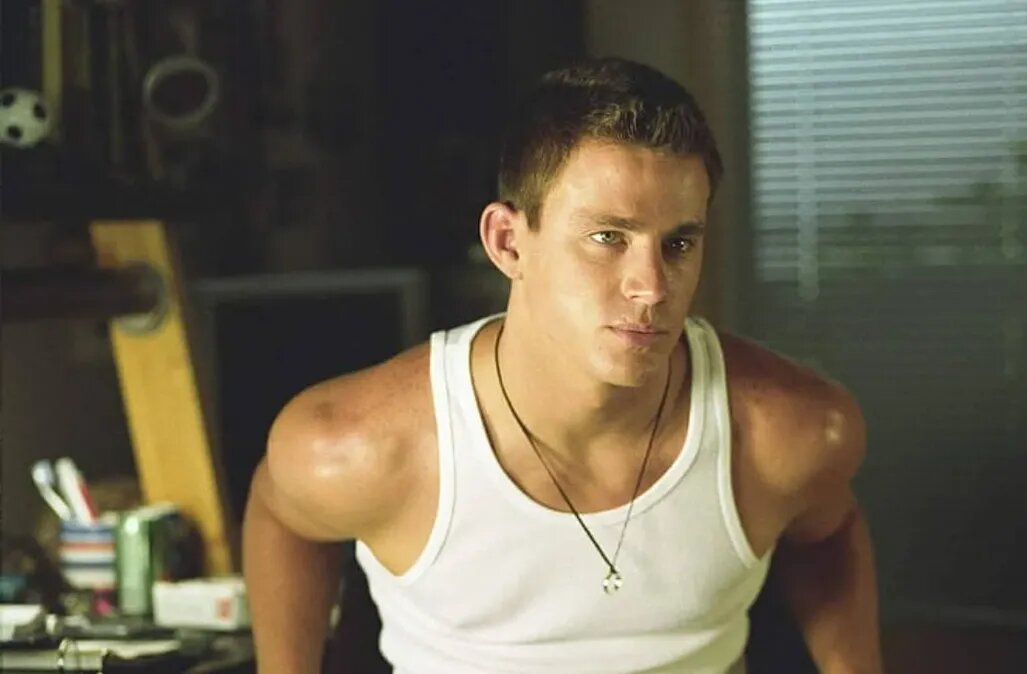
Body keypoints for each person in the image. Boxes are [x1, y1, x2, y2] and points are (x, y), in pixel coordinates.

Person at [243, 57, 882, 674]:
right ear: (508, 243)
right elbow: (283, 514)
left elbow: (826, 532)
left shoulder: (789, 432)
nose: (652, 287)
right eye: (608, 237)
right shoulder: (359, 446)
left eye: (678, 243)